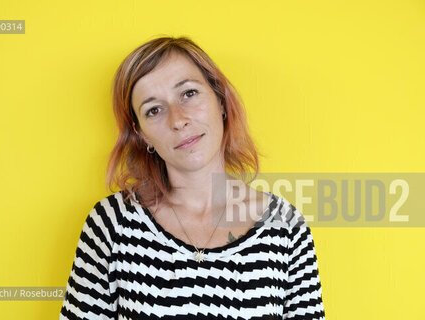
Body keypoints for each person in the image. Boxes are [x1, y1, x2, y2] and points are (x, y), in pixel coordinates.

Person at [59, 36, 325, 319]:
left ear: (220, 100)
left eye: (188, 93)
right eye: (154, 110)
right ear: (142, 135)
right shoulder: (111, 224)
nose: (177, 119)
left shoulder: (285, 227)